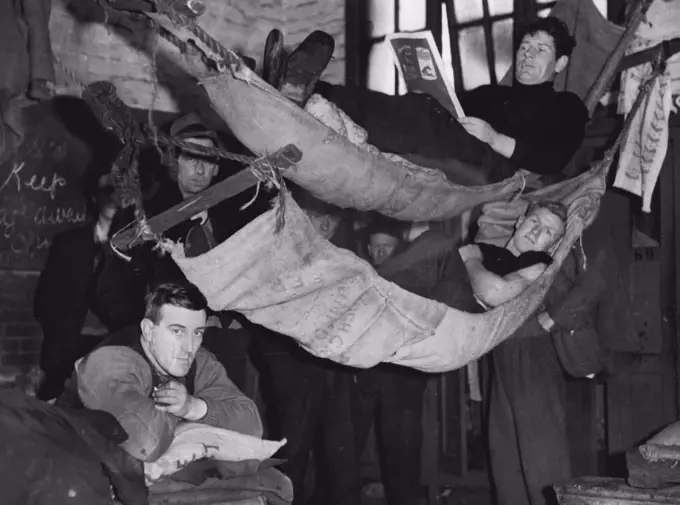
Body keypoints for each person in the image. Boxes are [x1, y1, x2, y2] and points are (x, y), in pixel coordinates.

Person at [98, 113, 273, 392]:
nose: (200, 169)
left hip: (229, 343)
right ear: (172, 163)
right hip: (171, 350)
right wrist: (147, 336)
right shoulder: (144, 219)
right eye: (190, 157)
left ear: (217, 168)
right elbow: (112, 288)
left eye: (208, 159)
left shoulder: (235, 217)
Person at [315, 17, 588, 183]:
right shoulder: (491, 94)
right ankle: (318, 91)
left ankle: (322, 96)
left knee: (425, 117)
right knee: (422, 107)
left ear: (560, 63)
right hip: (456, 142)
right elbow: (448, 110)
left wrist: (493, 138)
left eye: (540, 50)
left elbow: (554, 160)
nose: (528, 55)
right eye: (525, 47)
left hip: (496, 165)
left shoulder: (567, 106)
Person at [57, 282, 262, 462]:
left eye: (197, 333)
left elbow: (252, 426)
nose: (189, 346)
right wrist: (190, 421)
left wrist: (193, 408)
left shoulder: (199, 361)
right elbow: (146, 442)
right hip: (68, 470)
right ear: (148, 330)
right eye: (177, 331)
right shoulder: (111, 360)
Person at [343, 217, 428, 505]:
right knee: (350, 443)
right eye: (375, 247)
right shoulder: (362, 277)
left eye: (386, 247)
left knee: (402, 449)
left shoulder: (415, 278)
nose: (380, 254)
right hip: (363, 376)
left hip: (402, 378)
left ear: (399, 248)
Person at [34, 173, 131, 401]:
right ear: (94, 197)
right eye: (108, 191)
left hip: (112, 349)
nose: (114, 198)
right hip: (66, 349)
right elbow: (44, 300)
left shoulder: (140, 250)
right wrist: (59, 332)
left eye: (121, 192)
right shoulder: (68, 243)